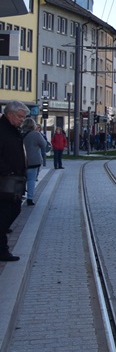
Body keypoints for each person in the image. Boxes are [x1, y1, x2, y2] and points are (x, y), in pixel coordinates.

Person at [0, 102, 29, 261]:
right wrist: (7, 171)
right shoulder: (3, 129)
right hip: (5, 181)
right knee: (5, 214)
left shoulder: (13, 129)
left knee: (14, 210)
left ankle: (2, 247)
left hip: (14, 180)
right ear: (9, 114)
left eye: (23, 118)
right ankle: (2, 249)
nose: (21, 120)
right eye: (19, 116)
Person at [22, 118, 49, 206]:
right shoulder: (36, 134)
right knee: (31, 180)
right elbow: (44, 144)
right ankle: (30, 198)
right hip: (33, 161)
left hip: (21, 160)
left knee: (21, 179)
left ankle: (20, 195)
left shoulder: (19, 133)